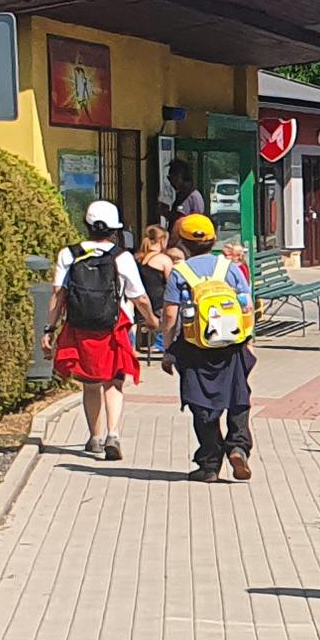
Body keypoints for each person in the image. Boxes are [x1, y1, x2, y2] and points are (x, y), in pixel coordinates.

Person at [48, 200, 150, 460]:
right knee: (114, 382)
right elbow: (138, 297)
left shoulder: (68, 254)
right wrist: (152, 319)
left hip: (80, 325)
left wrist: (49, 329)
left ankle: (94, 437)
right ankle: (112, 434)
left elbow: (58, 295)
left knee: (90, 384)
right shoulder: (122, 257)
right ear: (114, 230)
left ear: (87, 226)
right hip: (113, 327)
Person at [167, 210, 261, 482]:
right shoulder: (228, 268)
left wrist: (169, 349)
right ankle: (238, 446)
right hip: (232, 345)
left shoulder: (179, 273)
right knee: (237, 397)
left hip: (195, 348)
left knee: (202, 404)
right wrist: (249, 341)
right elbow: (247, 305)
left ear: (183, 243)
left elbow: (171, 315)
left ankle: (209, 464)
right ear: (213, 239)